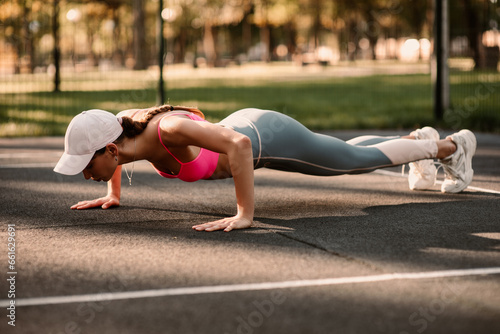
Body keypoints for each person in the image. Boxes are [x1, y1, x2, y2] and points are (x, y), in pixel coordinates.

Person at [54, 105, 476, 232]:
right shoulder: (123, 132)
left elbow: (237, 145)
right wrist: (112, 193)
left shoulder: (168, 129)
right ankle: (420, 142)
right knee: (342, 151)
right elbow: (113, 158)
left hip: (265, 136)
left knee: (351, 162)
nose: (82, 172)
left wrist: (244, 215)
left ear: (107, 148)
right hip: (256, 131)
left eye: (85, 165)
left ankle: (451, 146)